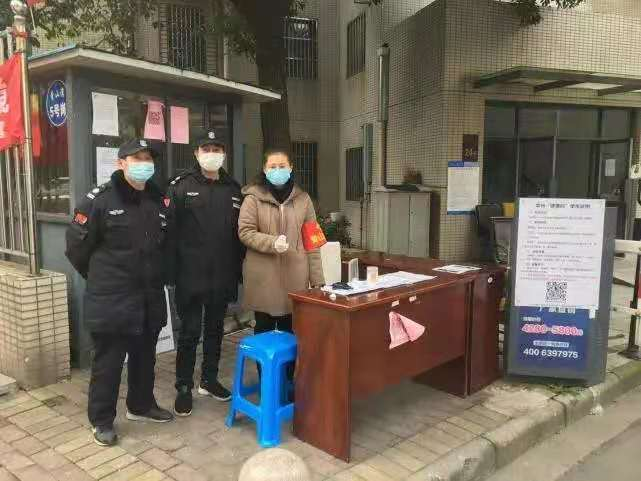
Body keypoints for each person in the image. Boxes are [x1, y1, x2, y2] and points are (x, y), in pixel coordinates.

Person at [65, 139, 174, 448]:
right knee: (108, 364)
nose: (144, 163)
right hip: (112, 299)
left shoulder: (158, 200)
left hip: (149, 297)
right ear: (121, 163)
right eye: (136, 158)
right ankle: (101, 420)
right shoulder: (100, 200)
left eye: (148, 158)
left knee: (145, 358)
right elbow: (76, 249)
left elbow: (165, 246)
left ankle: (141, 405)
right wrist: (103, 278)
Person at [166, 131, 244, 417]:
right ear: (196, 154)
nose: (212, 154)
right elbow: (168, 232)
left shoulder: (233, 189)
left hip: (222, 273)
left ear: (224, 154)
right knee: (189, 332)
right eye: (206, 149)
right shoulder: (181, 186)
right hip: (190, 275)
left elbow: (239, 234)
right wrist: (172, 273)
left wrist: (238, 270)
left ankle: (209, 380)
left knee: (215, 330)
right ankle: (183, 387)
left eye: (217, 149)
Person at [238, 148, 324, 340]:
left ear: (291, 168)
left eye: (282, 166)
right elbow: (245, 232)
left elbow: (313, 241)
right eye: (273, 166)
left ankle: (290, 362)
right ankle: (267, 361)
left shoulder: (303, 199)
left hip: (295, 278)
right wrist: (272, 242)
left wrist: (318, 280)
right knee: (264, 334)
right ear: (264, 169)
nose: (278, 170)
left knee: (292, 335)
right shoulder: (253, 198)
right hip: (263, 279)